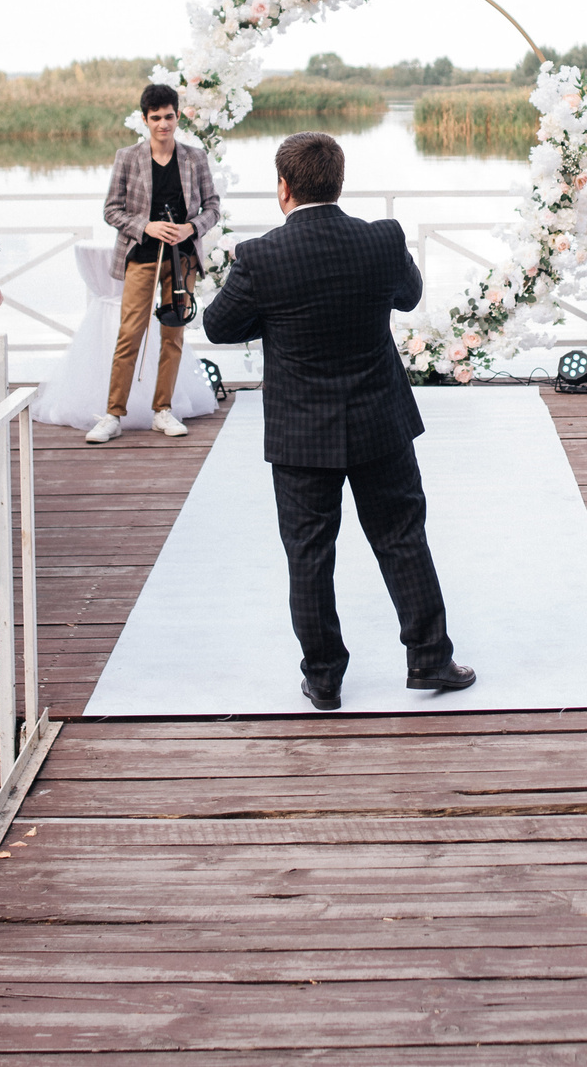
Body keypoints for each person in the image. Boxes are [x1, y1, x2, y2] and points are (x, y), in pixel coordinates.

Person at [200, 132, 475, 711]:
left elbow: (219, 327)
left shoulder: (260, 257)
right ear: (339, 182)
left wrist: (274, 316)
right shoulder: (382, 238)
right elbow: (408, 295)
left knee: (308, 553)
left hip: (302, 433)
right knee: (402, 539)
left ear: (284, 188)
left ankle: (324, 678)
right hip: (379, 420)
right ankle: (429, 658)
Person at [87, 83, 222, 445]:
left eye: (169, 117)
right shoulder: (128, 157)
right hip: (142, 257)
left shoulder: (195, 157)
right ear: (145, 120)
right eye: (156, 118)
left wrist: (190, 228)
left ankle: (163, 411)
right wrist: (145, 226)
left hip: (183, 261)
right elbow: (111, 210)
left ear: (178, 117)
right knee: (130, 334)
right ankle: (113, 414)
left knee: (173, 335)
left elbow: (213, 207)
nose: (163, 124)